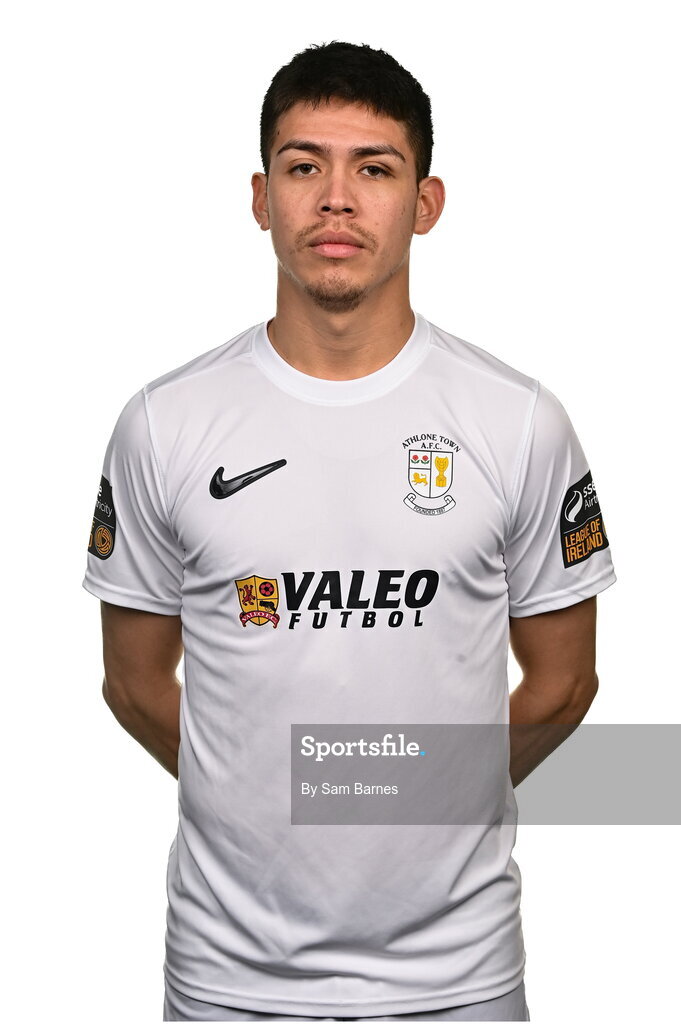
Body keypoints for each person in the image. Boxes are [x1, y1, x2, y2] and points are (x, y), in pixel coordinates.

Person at [82, 40, 616, 1023]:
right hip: (229, 978)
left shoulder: (518, 421)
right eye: (303, 166)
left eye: (373, 168)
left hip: (458, 978)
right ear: (260, 197)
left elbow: (563, 679)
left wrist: (415, 803)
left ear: (425, 202)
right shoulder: (164, 422)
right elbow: (133, 680)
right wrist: (262, 797)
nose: (336, 198)